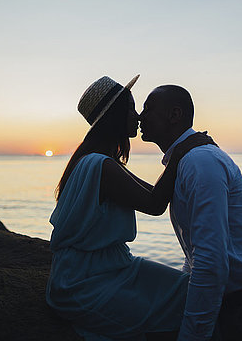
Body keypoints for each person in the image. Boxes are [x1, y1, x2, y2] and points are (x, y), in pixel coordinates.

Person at [46, 75, 212, 341]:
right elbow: (155, 204)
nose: (137, 117)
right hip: (85, 280)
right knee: (181, 304)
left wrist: (180, 155)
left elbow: (152, 192)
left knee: (188, 291)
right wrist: (182, 151)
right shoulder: (100, 166)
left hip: (111, 267)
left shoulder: (102, 162)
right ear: (115, 115)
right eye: (132, 108)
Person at [139, 85, 242, 341]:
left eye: (148, 108)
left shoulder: (199, 162)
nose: (141, 116)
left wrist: (191, 336)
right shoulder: (188, 161)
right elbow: (197, 254)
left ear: (174, 114)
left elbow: (210, 259)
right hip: (234, 308)